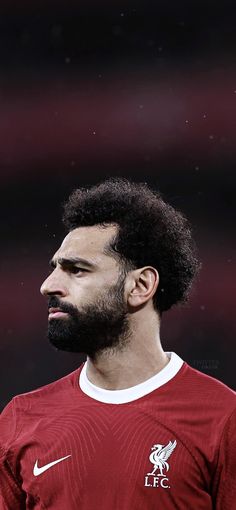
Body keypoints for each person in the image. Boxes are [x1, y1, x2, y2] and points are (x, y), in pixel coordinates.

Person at [0, 177, 235, 509]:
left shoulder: (224, 419)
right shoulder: (20, 419)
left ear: (140, 285)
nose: (48, 285)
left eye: (77, 270)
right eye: (55, 268)